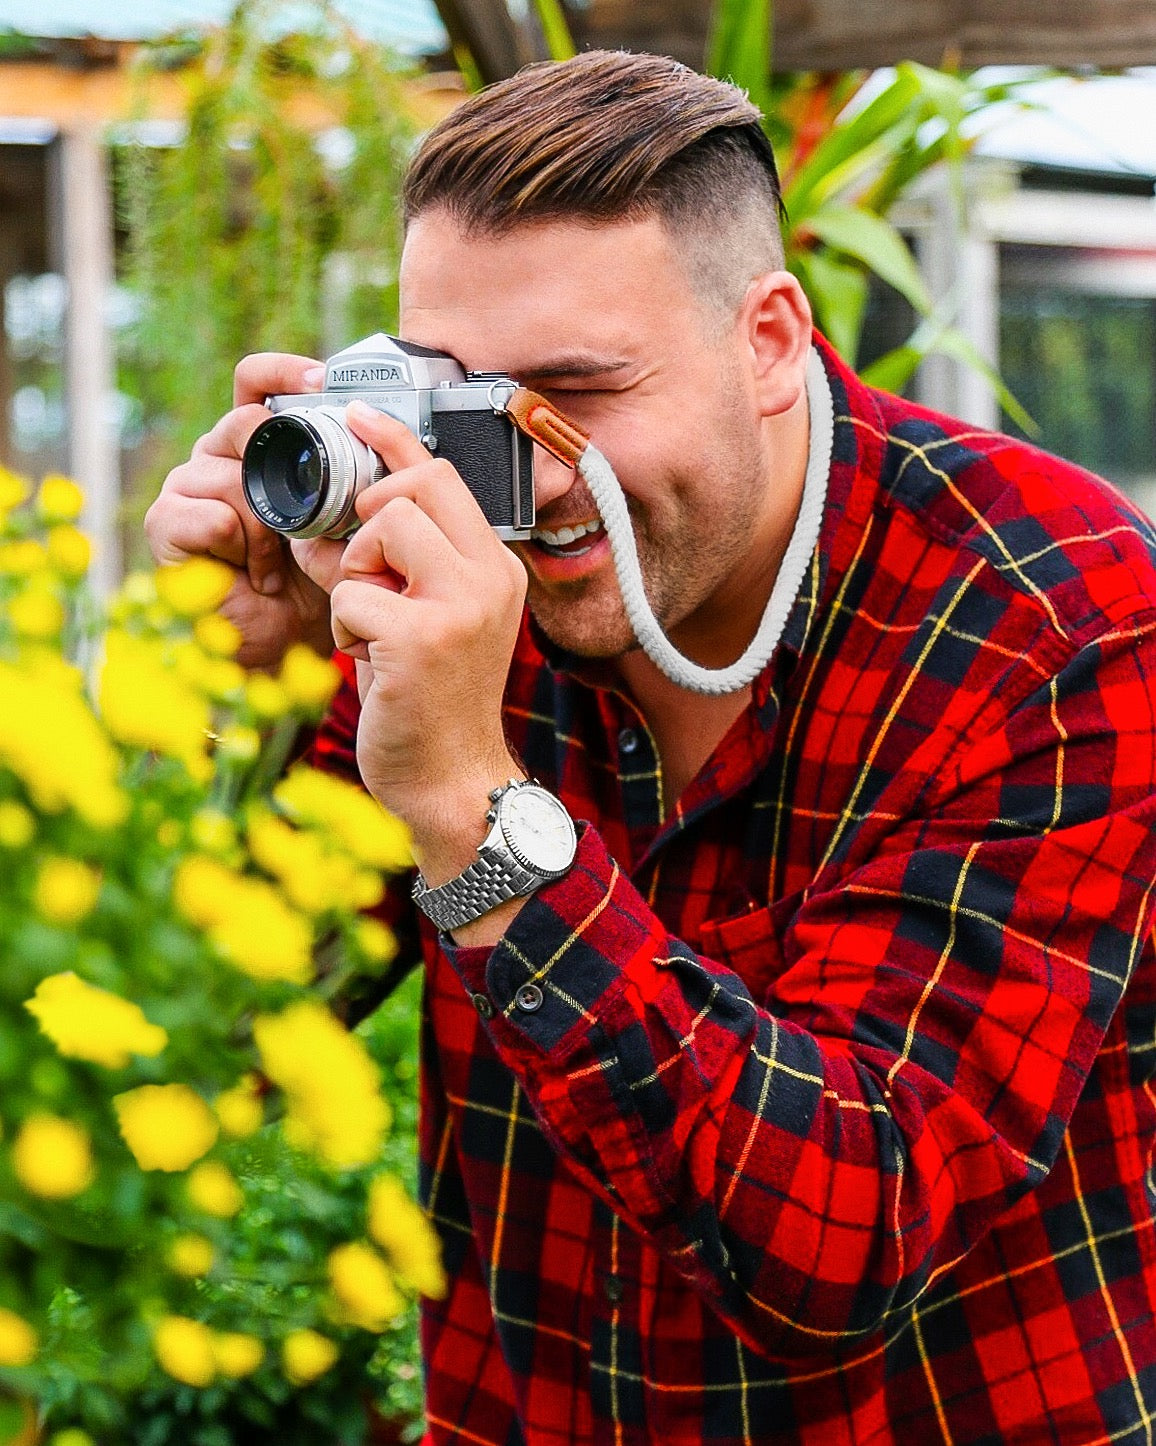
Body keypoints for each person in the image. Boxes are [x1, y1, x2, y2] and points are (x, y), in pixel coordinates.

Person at [145, 48, 1156, 1446]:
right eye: (462, 398)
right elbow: (215, 1045)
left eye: (579, 389)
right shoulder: (457, 598)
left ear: (770, 341)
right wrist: (224, 698)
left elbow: (842, 1235)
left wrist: (476, 813)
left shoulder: (1050, 621)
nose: (531, 474)